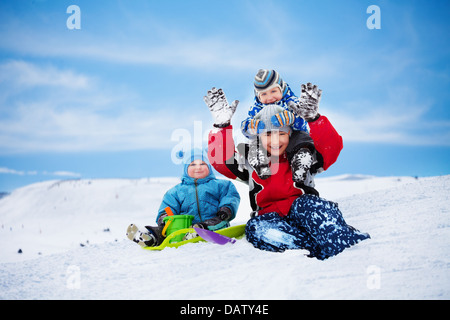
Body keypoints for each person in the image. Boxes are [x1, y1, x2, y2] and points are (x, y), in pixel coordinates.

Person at [204, 86, 369, 260]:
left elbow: (331, 149)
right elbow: (222, 161)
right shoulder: (251, 161)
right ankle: (306, 245)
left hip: (302, 207)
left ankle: (337, 236)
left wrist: (314, 119)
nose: (275, 140)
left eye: (281, 133)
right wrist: (221, 126)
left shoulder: (303, 156)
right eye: (268, 135)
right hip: (269, 216)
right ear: (258, 137)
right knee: (256, 229)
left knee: (312, 207)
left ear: (290, 135)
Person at [126, 149, 241, 247]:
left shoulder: (221, 185)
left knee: (217, 221)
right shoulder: (176, 191)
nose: (198, 168)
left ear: (209, 167)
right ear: (185, 168)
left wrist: (227, 208)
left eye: (202, 164)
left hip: (214, 224)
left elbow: (230, 196)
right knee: (166, 229)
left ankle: (199, 230)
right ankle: (150, 237)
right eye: (193, 164)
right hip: (184, 229)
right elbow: (168, 206)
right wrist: (164, 217)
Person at [240, 69, 317, 185]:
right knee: (255, 142)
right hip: (268, 144)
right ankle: (259, 161)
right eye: (264, 94)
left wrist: (293, 119)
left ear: (282, 88)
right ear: (258, 95)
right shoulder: (256, 109)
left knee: (301, 138)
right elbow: (245, 126)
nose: (269, 97)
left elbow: (304, 125)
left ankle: (300, 162)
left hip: (289, 141)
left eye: (273, 91)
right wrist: (250, 127)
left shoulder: (291, 103)